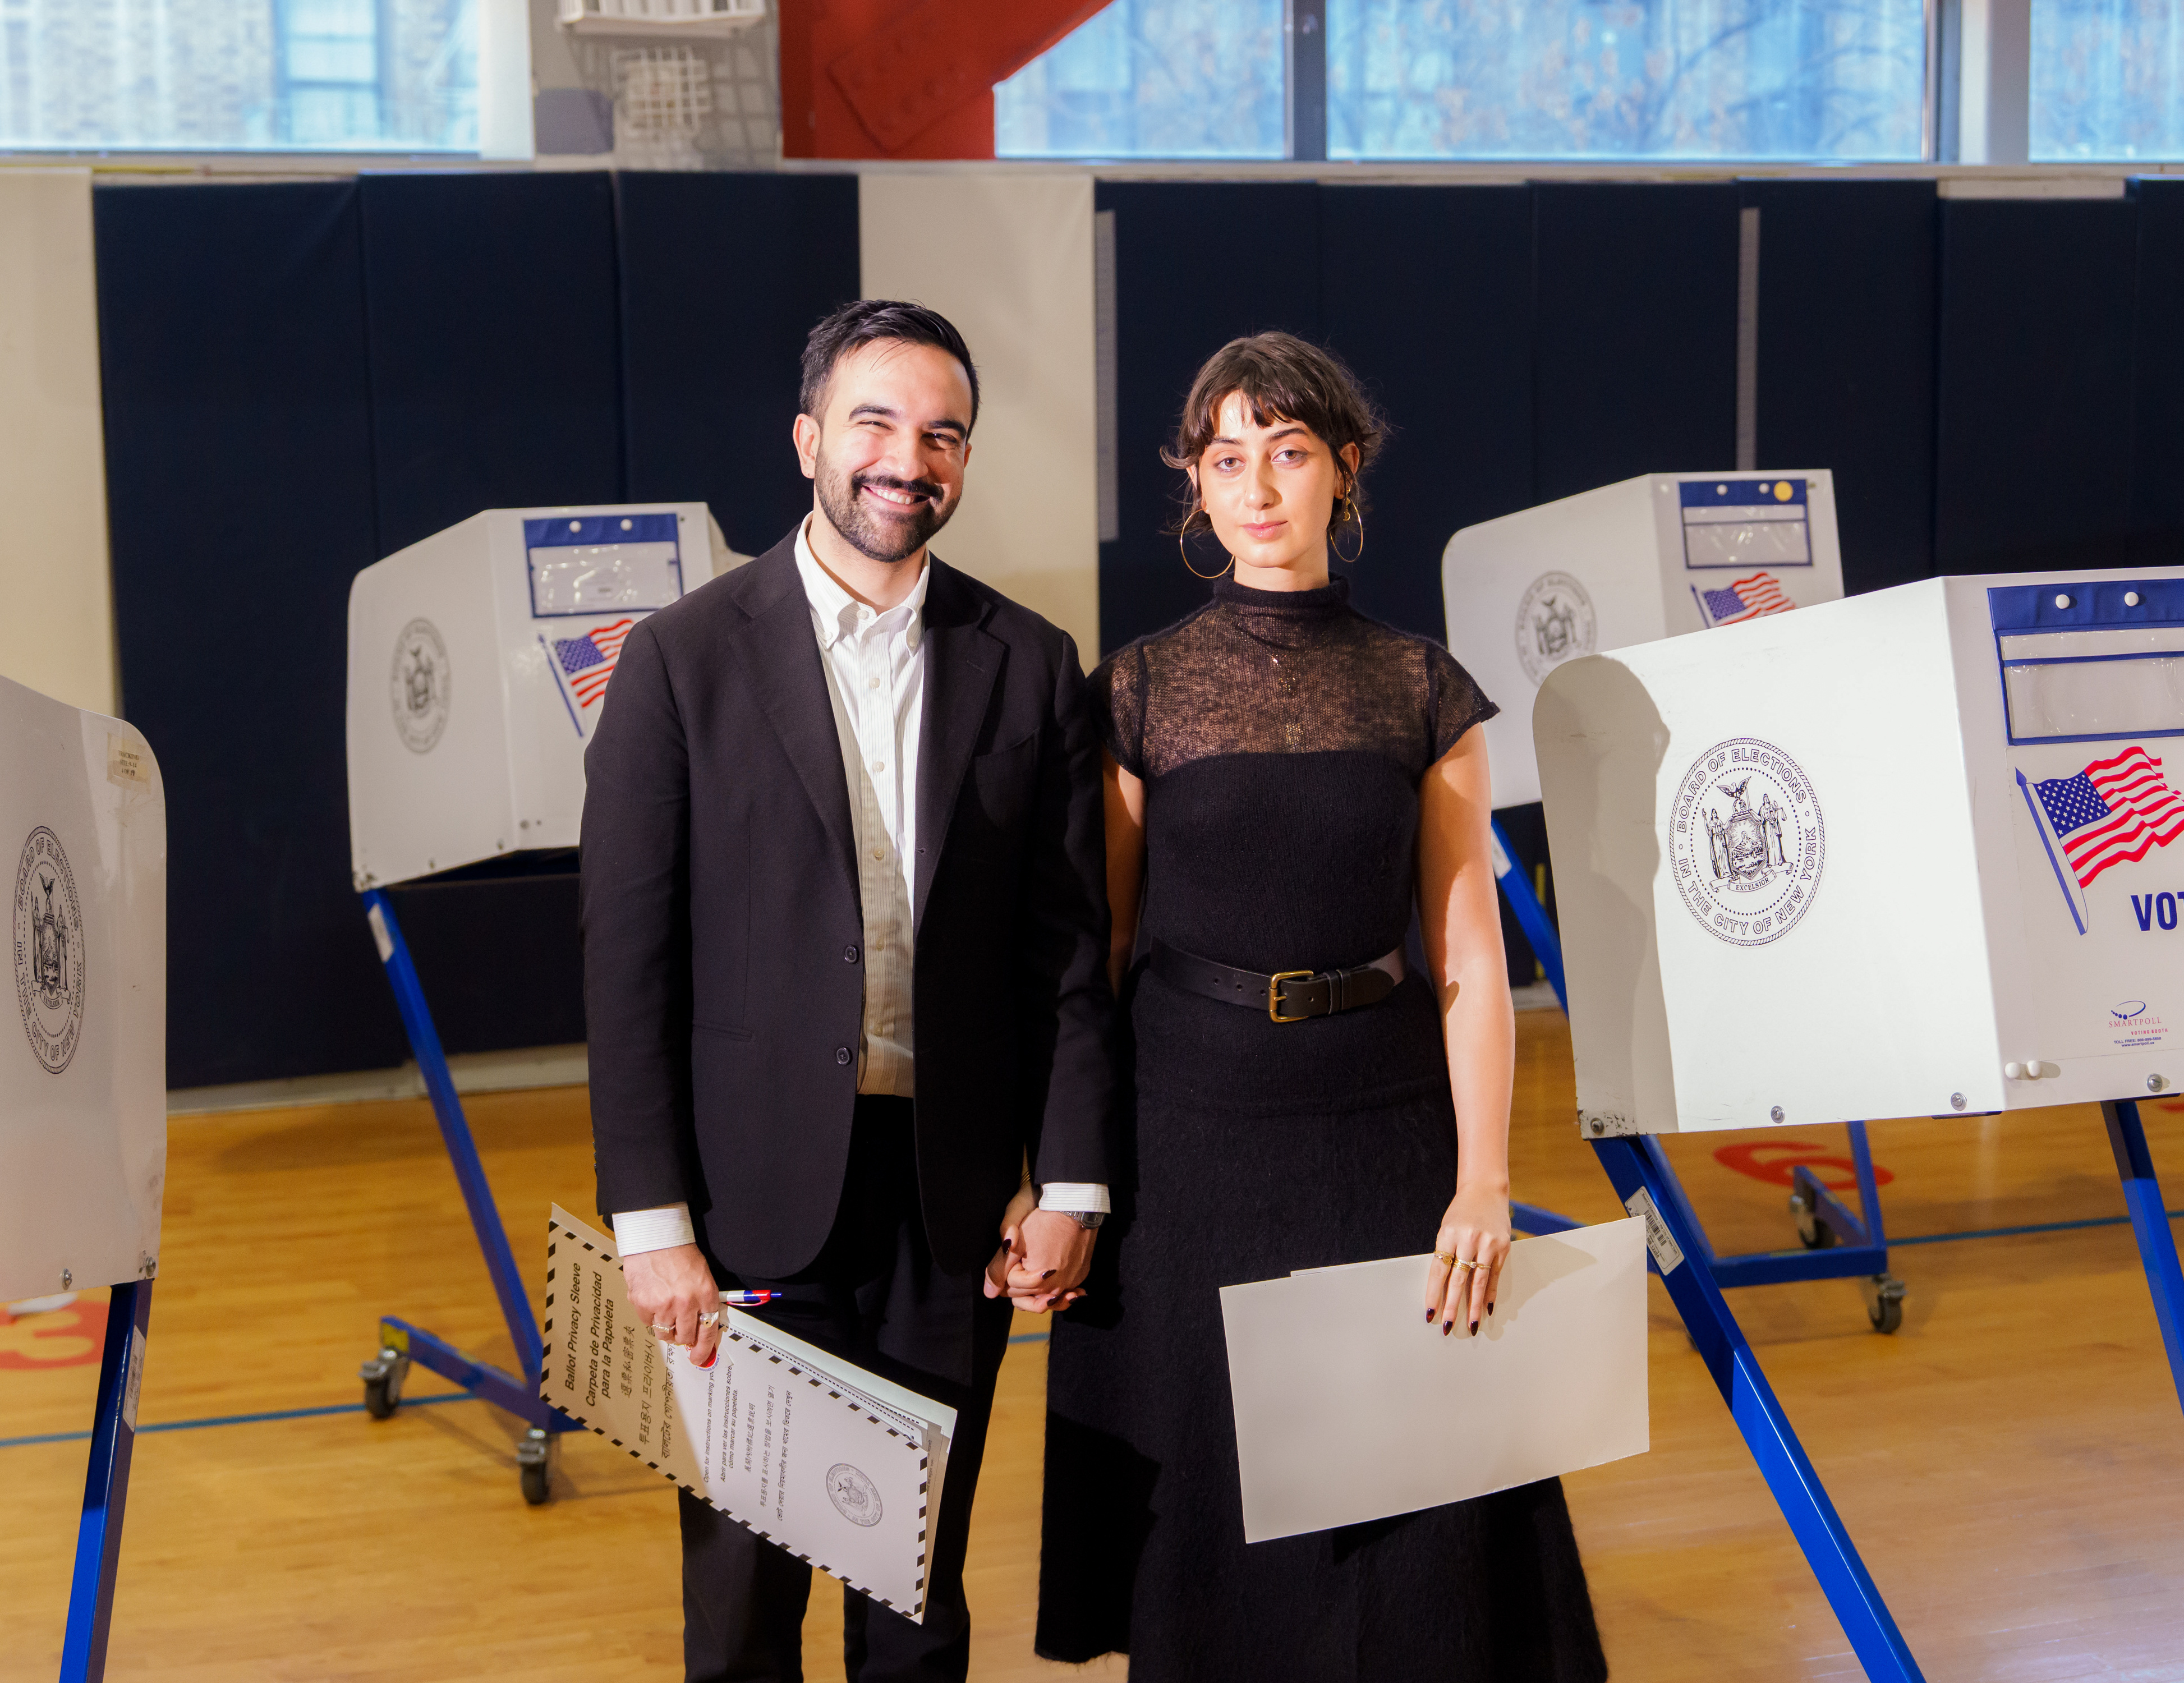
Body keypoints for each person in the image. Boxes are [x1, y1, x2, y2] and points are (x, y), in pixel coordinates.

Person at [1036, 332, 1608, 1680]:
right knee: (1210, 1505)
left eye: (1286, 453)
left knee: (1409, 1506)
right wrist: (1063, 1177)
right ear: (1194, 484)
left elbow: (1467, 956)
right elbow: (1097, 953)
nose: (1256, 486)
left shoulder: (1423, 688)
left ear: (1342, 472)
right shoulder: (1139, 688)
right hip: (1186, 1138)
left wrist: (1482, 1184)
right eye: (1225, 458)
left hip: (1379, 1129)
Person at [580, 298, 1115, 1683]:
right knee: (744, 1598)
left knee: (916, 1594)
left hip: (947, 1208)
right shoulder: (680, 661)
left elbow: (1064, 951)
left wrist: (1066, 1183)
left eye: (942, 434)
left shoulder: (1032, 665)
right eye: (875, 422)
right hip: (748, 1201)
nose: (906, 458)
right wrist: (651, 1219)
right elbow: (626, 966)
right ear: (809, 436)